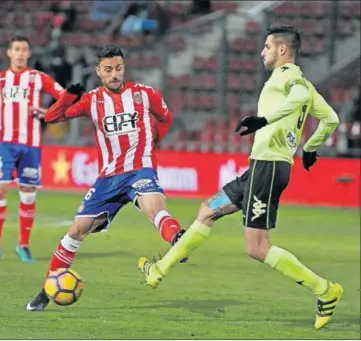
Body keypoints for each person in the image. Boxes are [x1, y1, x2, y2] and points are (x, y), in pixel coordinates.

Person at [138, 25, 342, 330]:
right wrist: (311, 148)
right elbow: (331, 119)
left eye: (267, 47)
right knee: (207, 210)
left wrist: (263, 119)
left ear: (282, 50)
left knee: (257, 247)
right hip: (260, 167)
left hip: (269, 168)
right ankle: (158, 271)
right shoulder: (302, 84)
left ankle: (325, 290)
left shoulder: (292, 77)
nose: (262, 52)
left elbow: (299, 96)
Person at [25, 44, 186, 311]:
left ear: (124, 68)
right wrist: (67, 96)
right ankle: (45, 291)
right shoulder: (91, 100)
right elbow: (53, 117)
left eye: (118, 68)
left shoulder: (145, 95)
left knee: (154, 209)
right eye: (108, 69)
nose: (114, 74)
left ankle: (177, 241)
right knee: (77, 230)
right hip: (108, 178)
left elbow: (165, 117)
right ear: (99, 71)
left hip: (140, 169)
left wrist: (152, 144)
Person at [0, 36, 64, 262]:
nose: (20, 53)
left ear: (29, 54)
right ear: (9, 53)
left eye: (24, 50)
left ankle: (24, 245)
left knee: (27, 193)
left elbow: (64, 96)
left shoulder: (38, 78)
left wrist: (47, 113)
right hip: (5, 143)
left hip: (30, 145)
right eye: (16, 49)